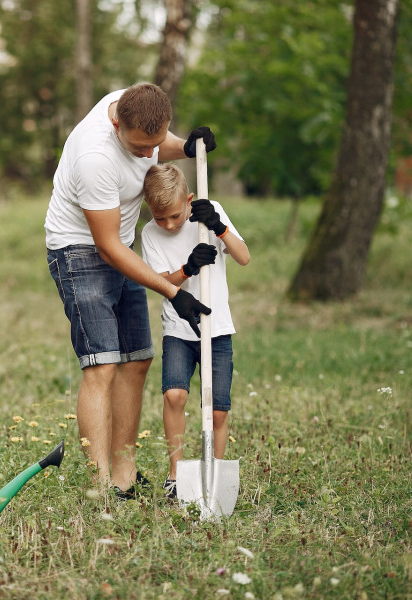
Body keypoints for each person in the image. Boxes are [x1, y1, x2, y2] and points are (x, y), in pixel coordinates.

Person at [45, 82, 216, 499]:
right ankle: (100, 485)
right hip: (80, 250)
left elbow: (161, 145)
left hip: (122, 247)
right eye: (140, 148)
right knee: (101, 363)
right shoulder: (94, 157)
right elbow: (106, 246)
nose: (147, 156)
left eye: (152, 145)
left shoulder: (140, 106)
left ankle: (125, 472)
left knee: (137, 360)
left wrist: (188, 147)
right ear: (116, 122)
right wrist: (174, 292)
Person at [140, 162, 250, 500]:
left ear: (189, 200)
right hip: (178, 329)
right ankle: (175, 475)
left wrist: (218, 228)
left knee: (217, 409)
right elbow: (160, 283)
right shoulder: (149, 234)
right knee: (175, 395)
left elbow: (243, 257)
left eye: (175, 215)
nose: (169, 224)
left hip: (217, 329)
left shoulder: (210, 212)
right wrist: (187, 268)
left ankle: (215, 473)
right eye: (161, 217)